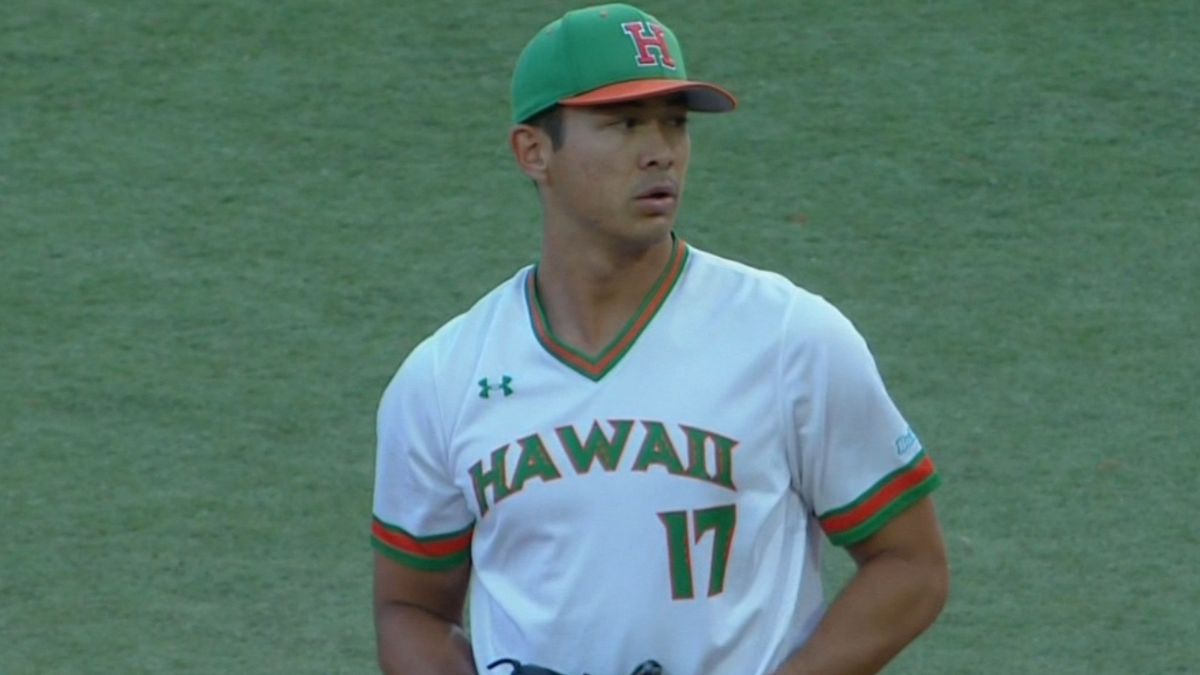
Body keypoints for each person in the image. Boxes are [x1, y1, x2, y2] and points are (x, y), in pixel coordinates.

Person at [371, 4, 949, 674]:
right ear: (535, 151)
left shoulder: (791, 338)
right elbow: (410, 607)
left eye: (674, 123)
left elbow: (912, 564)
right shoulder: (444, 377)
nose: (660, 151)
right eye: (624, 124)